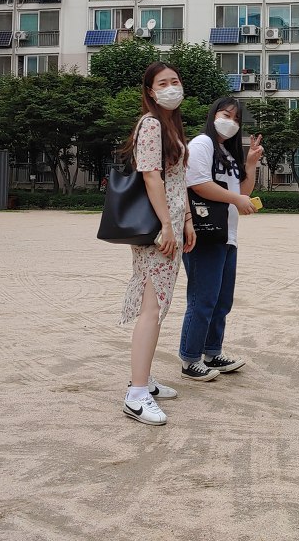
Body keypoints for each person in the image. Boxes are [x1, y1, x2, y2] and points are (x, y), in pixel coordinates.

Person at [118, 62, 195, 426]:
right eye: (162, 83)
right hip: (158, 230)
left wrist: (186, 221)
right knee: (152, 307)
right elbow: (151, 175)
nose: (170, 87)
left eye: (174, 81)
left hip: (171, 227)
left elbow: (177, 180)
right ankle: (136, 395)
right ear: (150, 91)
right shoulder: (151, 124)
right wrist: (166, 225)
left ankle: (143, 379)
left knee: (159, 305)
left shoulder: (170, 126)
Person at [178, 97, 262, 381]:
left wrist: (251, 163)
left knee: (222, 300)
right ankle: (190, 359)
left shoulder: (227, 152)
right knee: (203, 298)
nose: (231, 122)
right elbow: (197, 183)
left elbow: (243, 192)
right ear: (213, 115)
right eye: (226, 115)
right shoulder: (202, 143)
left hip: (226, 234)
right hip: (204, 232)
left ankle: (212, 352)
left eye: (236, 119)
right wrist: (236, 199)